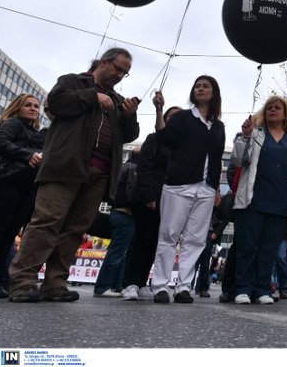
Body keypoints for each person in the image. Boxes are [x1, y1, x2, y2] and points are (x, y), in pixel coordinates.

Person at [9, 48, 140, 302]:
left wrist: (129, 115)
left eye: (125, 73)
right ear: (104, 62)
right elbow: (55, 104)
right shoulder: (72, 81)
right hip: (65, 165)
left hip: (100, 173)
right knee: (47, 222)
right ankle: (22, 281)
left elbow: (129, 135)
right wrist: (93, 96)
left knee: (75, 229)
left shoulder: (117, 99)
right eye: (118, 69)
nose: (120, 76)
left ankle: (55, 283)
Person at [150, 76, 225, 305]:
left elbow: (217, 158)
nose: (200, 89)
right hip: (179, 185)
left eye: (206, 86)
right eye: (197, 86)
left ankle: (183, 287)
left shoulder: (218, 126)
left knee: (196, 240)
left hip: (206, 190)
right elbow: (164, 137)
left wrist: (216, 189)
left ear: (214, 93)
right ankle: (160, 286)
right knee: (169, 235)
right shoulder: (182, 117)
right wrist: (159, 109)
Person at [231, 95, 287, 305]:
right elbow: (238, 160)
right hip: (253, 200)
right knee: (248, 246)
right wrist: (245, 137)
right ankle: (242, 289)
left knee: (269, 249)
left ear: (285, 114)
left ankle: (261, 289)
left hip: (280, 202)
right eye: (269, 108)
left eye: (277, 108)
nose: (272, 111)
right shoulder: (255, 134)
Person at [121, 106, 181, 301]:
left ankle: (141, 283)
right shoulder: (153, 139)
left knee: (155, 242)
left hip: (167, 201)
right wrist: (149, 196)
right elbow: (144, 168)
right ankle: (130, 283)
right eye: (172, 117)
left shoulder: (181, 146)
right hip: (146, 198)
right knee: (142, 239)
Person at [0, 94, 46, 299]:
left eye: (36, 106)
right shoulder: (13, 123)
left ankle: (0, 281)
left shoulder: (34, 132)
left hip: (25, 187)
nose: (33, 108)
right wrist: (26, 155)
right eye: (28, 105)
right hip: (7, 182)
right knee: (0, 233)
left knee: (9, 236)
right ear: (18, 107)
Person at [93, 147, 140, 297]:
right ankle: (103, 287)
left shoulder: (121, 168)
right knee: (118, 252)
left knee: (120, 252)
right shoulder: (134, 169)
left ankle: (116, 286)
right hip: (125, 214)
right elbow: (131, 193)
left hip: (116, 212)